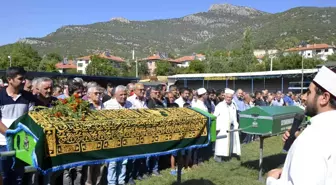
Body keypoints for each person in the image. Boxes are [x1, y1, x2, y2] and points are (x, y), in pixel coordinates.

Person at [266, 66, 336, 185]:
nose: (303, 97)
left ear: (324, 98)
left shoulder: (312, 138)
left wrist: (271, 180)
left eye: (309, 92)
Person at [0, 67, 36, 185]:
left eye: (24, 78)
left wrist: (19, 136)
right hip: (3, 144)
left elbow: (31, 118)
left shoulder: (29, 97)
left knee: (19, 177)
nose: (24, 81)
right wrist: (10, 134)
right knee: (4, 176)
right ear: (10, 79)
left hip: (22, 144)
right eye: (20, 78)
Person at [104, 85, 133, 185]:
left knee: (123, 162)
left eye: (125, 94)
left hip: (125, 137)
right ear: (115, 95)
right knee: (113, 163)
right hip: (113, 138)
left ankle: (121, 181)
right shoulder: (107, 105)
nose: (123, 97)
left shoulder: (130, 104)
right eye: (121, 95)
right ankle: (111, 183)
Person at [213, 88, 241, 162]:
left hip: (231, 126)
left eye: (230, 97)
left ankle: (228, 156)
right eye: (227, 97)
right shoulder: (220, 105)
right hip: (222, 128)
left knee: (230, 142)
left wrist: (236, 124)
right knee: (221, 143)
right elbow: (215, 116)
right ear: (225, 97)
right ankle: (218, 157)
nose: (229, 99)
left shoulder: (233, 105)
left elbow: (234, 116)